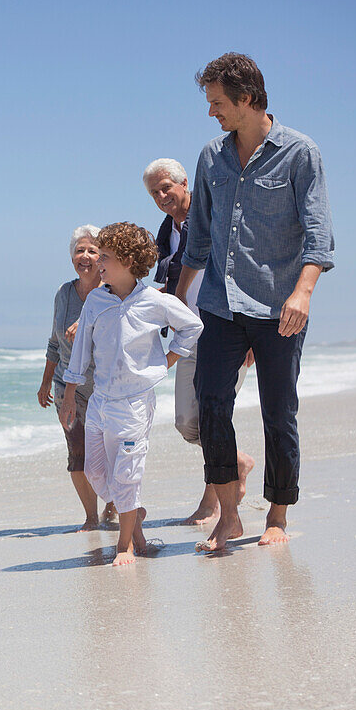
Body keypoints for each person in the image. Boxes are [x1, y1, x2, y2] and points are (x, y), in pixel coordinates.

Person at [176, 53, 334, 550]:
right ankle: (229, 515)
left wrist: (303, 292)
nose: (211, 113)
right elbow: (198, 239)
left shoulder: (300, 152)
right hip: (221, 307)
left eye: (218, 103)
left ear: (247, 99)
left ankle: (278, 517)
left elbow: (318, 234)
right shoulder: (211, 157)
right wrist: (176, 302)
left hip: (278, 309)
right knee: (212, 406)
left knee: (278, 411)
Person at [61, 222, 203, 566]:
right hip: (99, 402)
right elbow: (80, 349)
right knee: (96, 473)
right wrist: (69, 393)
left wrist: (165, 362)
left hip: (135, 404)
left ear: (127, 261)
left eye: (105, 257)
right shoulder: (95, 300)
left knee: (126, 474)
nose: (99, 263)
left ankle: (125, 545)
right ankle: (133, 515)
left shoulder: (155, 301)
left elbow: (193, 326)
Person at [143, 158, 255, 524]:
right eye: (154, 192)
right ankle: (236, 463)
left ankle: (213, 502)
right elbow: (176, 285)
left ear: (184, 184)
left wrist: (250, 333)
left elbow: (241, 270)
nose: (162, 196)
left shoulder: (212, 219)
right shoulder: (167, 233)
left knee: (213, 416)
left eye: (166, 188)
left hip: (225, 329)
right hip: (187, 334)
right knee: (188, 422)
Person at [37, 225, 116, 530]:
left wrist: (84, 323)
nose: (85, 256)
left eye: (92, 250)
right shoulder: (63, 293)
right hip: (65, 387)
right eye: (79, 250)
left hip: (104, 386)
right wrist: (45, 381)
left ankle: (114, 504)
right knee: (77, 449)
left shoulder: (112, 292)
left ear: (102, 257)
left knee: (109, 451)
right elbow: (55, 341)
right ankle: (91, 516)